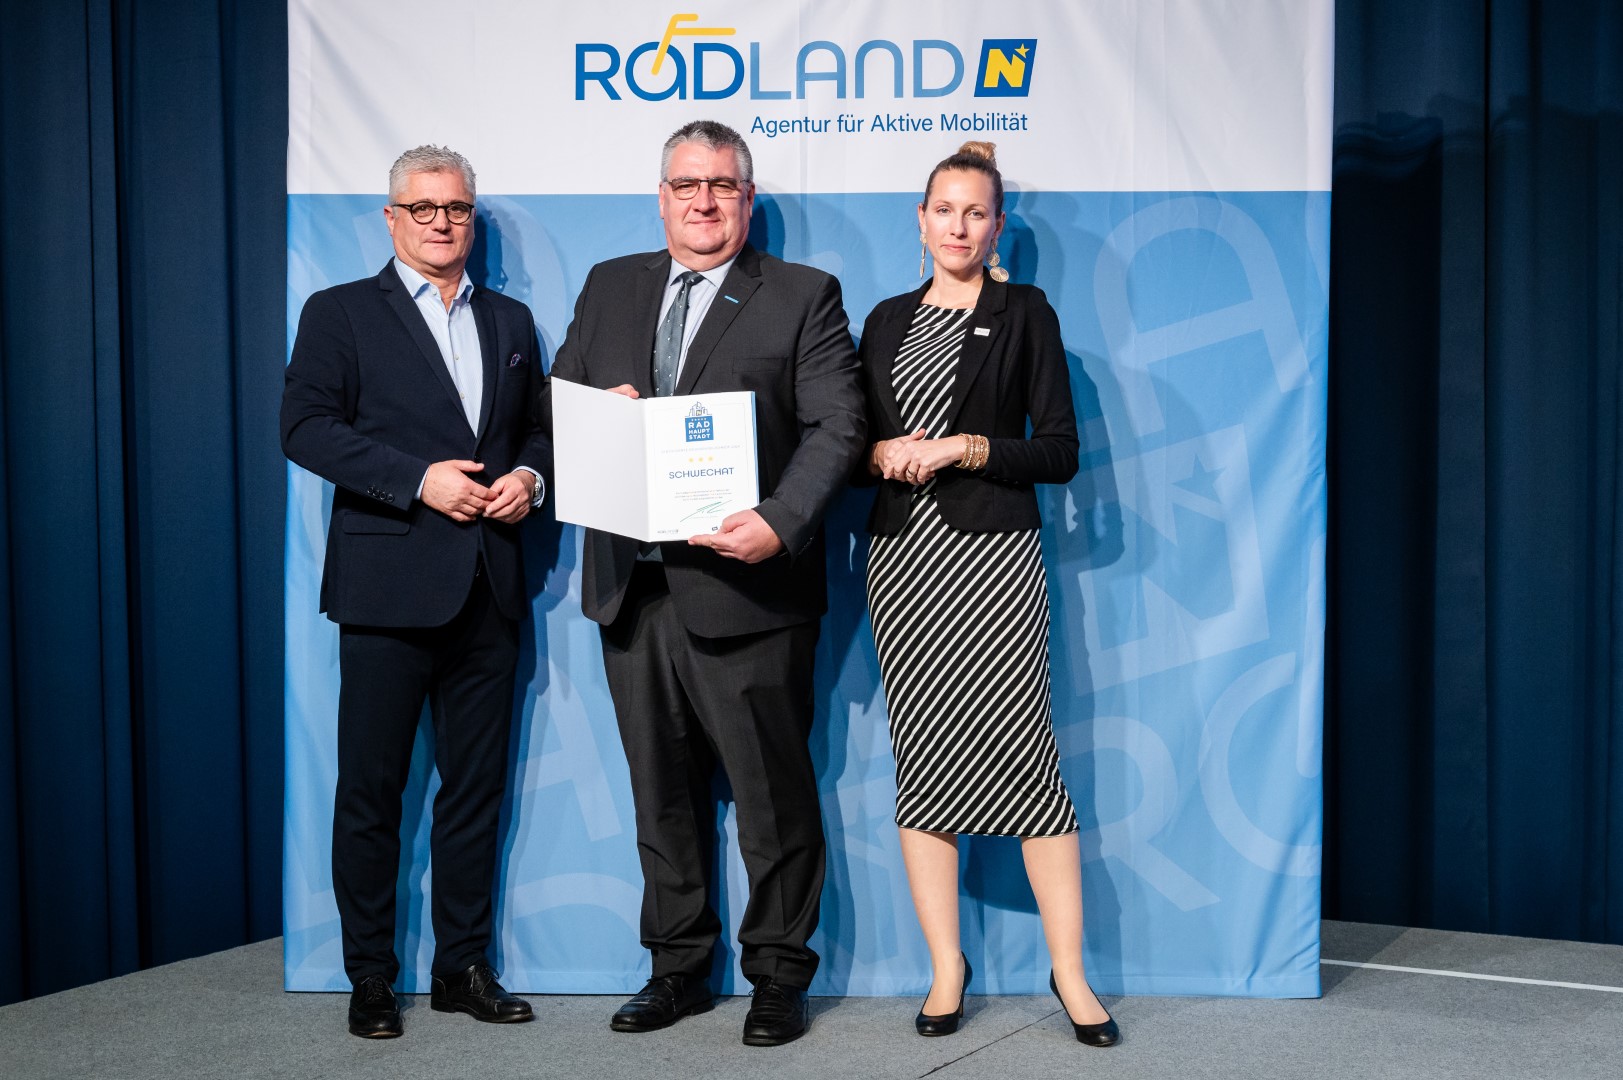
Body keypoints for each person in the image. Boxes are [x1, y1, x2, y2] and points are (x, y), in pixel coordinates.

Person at [549, 119, 864, 1046]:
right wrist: (590, 412)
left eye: (722, 185)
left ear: (747, 199)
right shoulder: (610, 284)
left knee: (771, 799)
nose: (703, 200)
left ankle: (778, 974)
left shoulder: (801, 294)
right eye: (686, 185)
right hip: (632, 589)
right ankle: (676, 968)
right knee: (661, 797)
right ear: (661, 198)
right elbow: (558, 400)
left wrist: (781, 520)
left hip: (748, 590)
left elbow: (839, 424)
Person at [281, 145, 551, 1039]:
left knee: (474, 792)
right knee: (372, 791)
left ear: (473, 218)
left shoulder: (510, 320)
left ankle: (461, 968)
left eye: (457, 208)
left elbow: (538, 432)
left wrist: (528, 479)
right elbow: (304, 428)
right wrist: (416, 480)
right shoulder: (340, 312)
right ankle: (369, 975)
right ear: (391, 218)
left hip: (489, 586)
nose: (442, 222)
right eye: (424, 207)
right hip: (387, 587)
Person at [856, 141, 1119, 1047]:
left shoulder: (1023, 313)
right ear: (920, 219)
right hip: (902, 566)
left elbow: (1058, 450)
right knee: (923, 762)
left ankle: (1070, 973)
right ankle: (945, 969)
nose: (958, 227)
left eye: (975, 212)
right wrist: (880, 453)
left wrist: (962, 447)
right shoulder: (884, 319)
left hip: (994, 565)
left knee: (1027, 765)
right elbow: (851, 442)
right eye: (944, 210)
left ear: (997, 225)